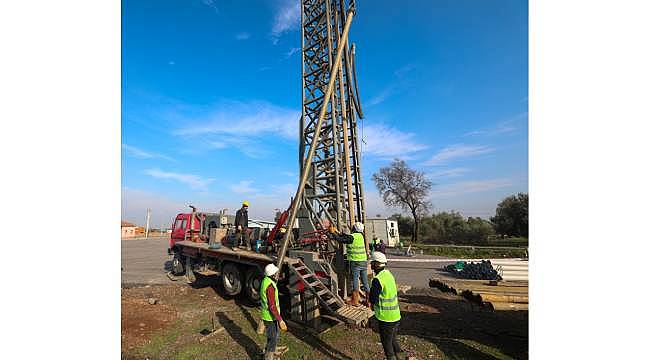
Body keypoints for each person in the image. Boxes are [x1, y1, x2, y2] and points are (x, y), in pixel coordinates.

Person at [369, 252, 406, 360]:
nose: (371, 265)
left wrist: (370, 299)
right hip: (396, 316)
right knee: (393, 339)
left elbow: (373, 299)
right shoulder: (388, 274)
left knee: (387, 343)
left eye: (372, 263)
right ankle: (402, 357)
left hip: (386, 318)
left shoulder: (377, 280)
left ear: (376, 264)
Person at [329, 222, 370, 306]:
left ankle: (355, 301)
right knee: (365, 281)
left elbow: (341, 240)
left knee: (354, 280)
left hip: (355, 262)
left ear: (354, 229)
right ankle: (368, 301)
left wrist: (332, 233)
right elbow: (347, 237)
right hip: (363, 261)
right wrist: (338, 232)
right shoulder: (360, 236)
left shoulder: (353, 237)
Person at [260, 263, 288, 359]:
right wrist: (280, 320)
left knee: (273, 335)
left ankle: (270, 350)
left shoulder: (266, 281)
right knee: (273, 338)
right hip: (269, 316)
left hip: (267, 315)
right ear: (272, 274)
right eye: (276, 273)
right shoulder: (270, 287)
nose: (277, 274)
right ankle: (269, 356)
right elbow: (272, 306)